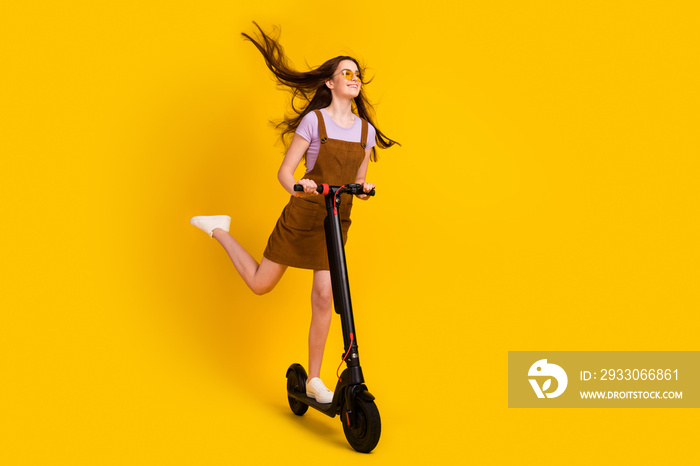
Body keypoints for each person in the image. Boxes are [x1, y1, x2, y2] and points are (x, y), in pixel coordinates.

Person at [190, 23, 398, 404]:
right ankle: (219, 230)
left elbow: (360, 177)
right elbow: (285, 172)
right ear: (331, 84)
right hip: (304, 214)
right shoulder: (314, 122)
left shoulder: (366, 131)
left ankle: (315, 379)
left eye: (357, 75)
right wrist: (299, 186)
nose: (354, 79)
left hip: (336, 218)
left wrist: (364, 189)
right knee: (260, 284)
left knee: (323, 296)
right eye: (346, 74)